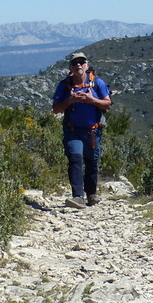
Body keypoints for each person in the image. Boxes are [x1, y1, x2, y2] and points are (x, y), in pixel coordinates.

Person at [51, 51, 112, 208]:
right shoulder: (65, 86)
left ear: (87, 65)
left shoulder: (97, 83)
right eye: (75, 63)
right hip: (73, 130)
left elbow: (108, 104)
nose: (78, 65)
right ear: (70, 67)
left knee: (92, 161)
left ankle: (91, 194)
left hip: (93, 131)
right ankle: (78, 196)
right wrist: (70, 100)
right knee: (75, 158)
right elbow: (56, 109)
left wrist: (92, 100)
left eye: (81, 62)